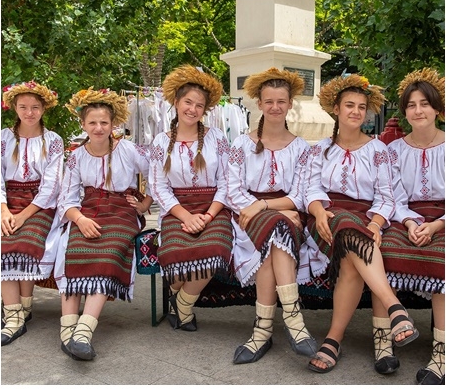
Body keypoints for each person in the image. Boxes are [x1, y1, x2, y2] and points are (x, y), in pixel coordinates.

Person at [305, 73, 419, 373]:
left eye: (361, 107)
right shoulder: (318, 149)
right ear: (336, 109)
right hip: (327, 218)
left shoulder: (379, 151)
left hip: (365, 220)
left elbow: (386, 196)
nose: (356, 111)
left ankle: (333, 339)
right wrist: (317, 212)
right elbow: (311, 189)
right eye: (349, 105)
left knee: (350, 259)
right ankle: (394, 308)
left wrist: (376, 224)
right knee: (343, 225)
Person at [225, 68, 325, 363]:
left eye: (281, 101)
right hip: (247, 218)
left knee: (276, 232)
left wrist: (266, 206)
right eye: (269, 101)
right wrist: (258, 208)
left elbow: (301, 195)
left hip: (284, 216)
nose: (275, 107)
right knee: (276, 229)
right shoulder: (241, 145)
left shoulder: (301, 148)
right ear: (259, 104)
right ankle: (295, 324)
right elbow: (233, 192)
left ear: (290, 103)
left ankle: (262, 332)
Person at [54, 88, 152, 361]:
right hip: (87, 210)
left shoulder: (129, 150)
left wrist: (144, 205)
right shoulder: (76, 156)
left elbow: (156, 173)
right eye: (92, 122)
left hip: (122, 210)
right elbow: (67, 198)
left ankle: (84, 332)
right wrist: (80, 219)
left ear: (114, 124)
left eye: (104, 123)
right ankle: (68, 332)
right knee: (72, 248)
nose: (98, 128)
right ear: (83, 124)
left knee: (109, 252)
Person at [147, 65, 233, 332]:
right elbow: (158, 186)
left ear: (205, 110)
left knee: (216, 249)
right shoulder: (161, 142)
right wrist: (185, 216)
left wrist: (208, 216)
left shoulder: (217, 138)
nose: (193, 109)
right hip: (177, 210)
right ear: (176, 103)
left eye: (199, 105)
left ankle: (181, 304)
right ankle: (179, 300)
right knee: (174, 250)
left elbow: (228, 180)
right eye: (188, 102)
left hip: (213, 208)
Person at [378, 68, 445, 384]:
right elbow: (391, 197)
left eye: (425, 104)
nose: (418, 110)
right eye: (411, 105)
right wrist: (409, 221)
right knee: (380, 251)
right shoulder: (393, 151)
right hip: (404, 218)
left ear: (437, 108)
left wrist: (435, 227)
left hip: (445, 220)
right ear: (404, 111)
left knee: (444, 259)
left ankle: (441, 355)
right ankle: (384, 343)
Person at [0, 81, 64, 346]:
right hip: (6, 200)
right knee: (2, 241)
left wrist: (25, 214)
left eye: (35, 107)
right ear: (14, 107)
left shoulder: (54, 141)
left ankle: (24, 307)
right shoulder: (2, 137)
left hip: (39, 203)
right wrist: (3, 209)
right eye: (23, 107)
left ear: (44, 109)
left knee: (26, 240)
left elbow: (52, 185)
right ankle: (13, 315)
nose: (29, 113)